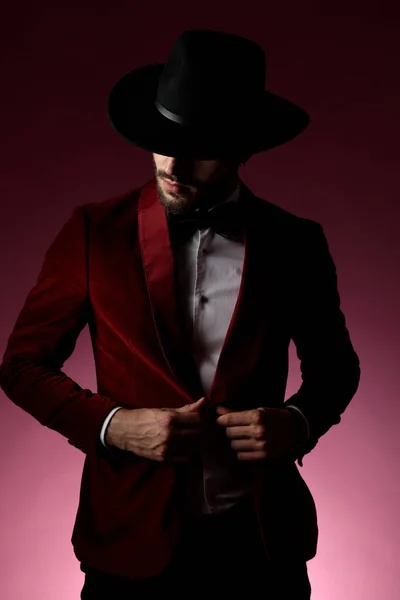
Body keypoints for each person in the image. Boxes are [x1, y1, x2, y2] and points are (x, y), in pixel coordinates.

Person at [0, 29, 361, 599]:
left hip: (262, 547)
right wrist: (113, 425)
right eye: (162, 139)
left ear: (245, 149)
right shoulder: (94, 232)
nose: (173, 161)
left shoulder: (296, 243)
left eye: (202, 146)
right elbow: (22, 365)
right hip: (128, 547)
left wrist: (299, 423)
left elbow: (336, 369)